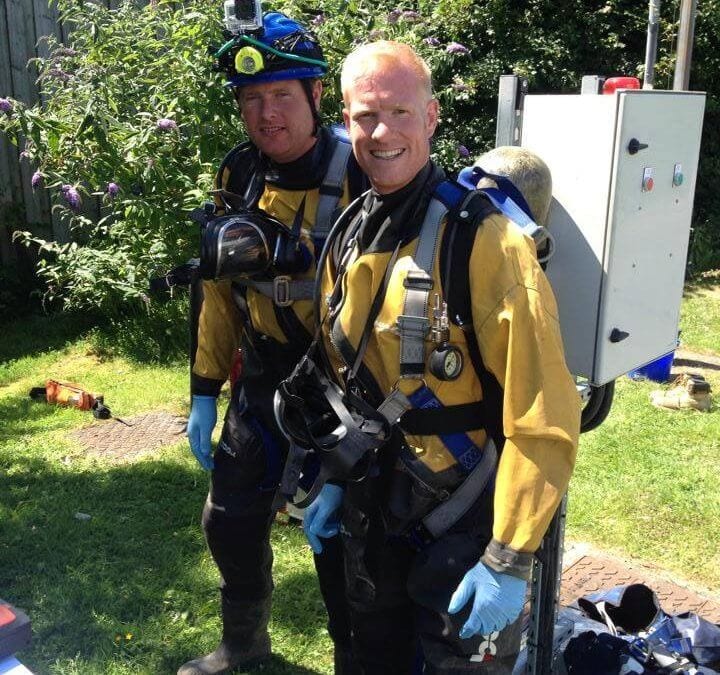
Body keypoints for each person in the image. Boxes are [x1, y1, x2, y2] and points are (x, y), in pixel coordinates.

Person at [284, 41, 581, 673]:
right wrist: (332, 478)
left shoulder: (485, 243)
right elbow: (347, 374)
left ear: (432, 116)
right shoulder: (354, 228)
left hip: (467, 523)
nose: (381, 132)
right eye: (364, 116)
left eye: (399, 111)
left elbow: (544, 415)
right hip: (373, 507)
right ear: (344, 119)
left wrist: (509, 556)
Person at [179, 12, 365, 675]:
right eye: (252, 99)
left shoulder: (360, 174)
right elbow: (220, 291)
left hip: (344, 392)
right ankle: (244, 641)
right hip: (262, 380)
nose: (266, 113)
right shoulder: (238, 176)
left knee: (340, 540)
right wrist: (203, 390)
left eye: (282, 94)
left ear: (317, 96)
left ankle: (354, 658)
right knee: (228, 518)